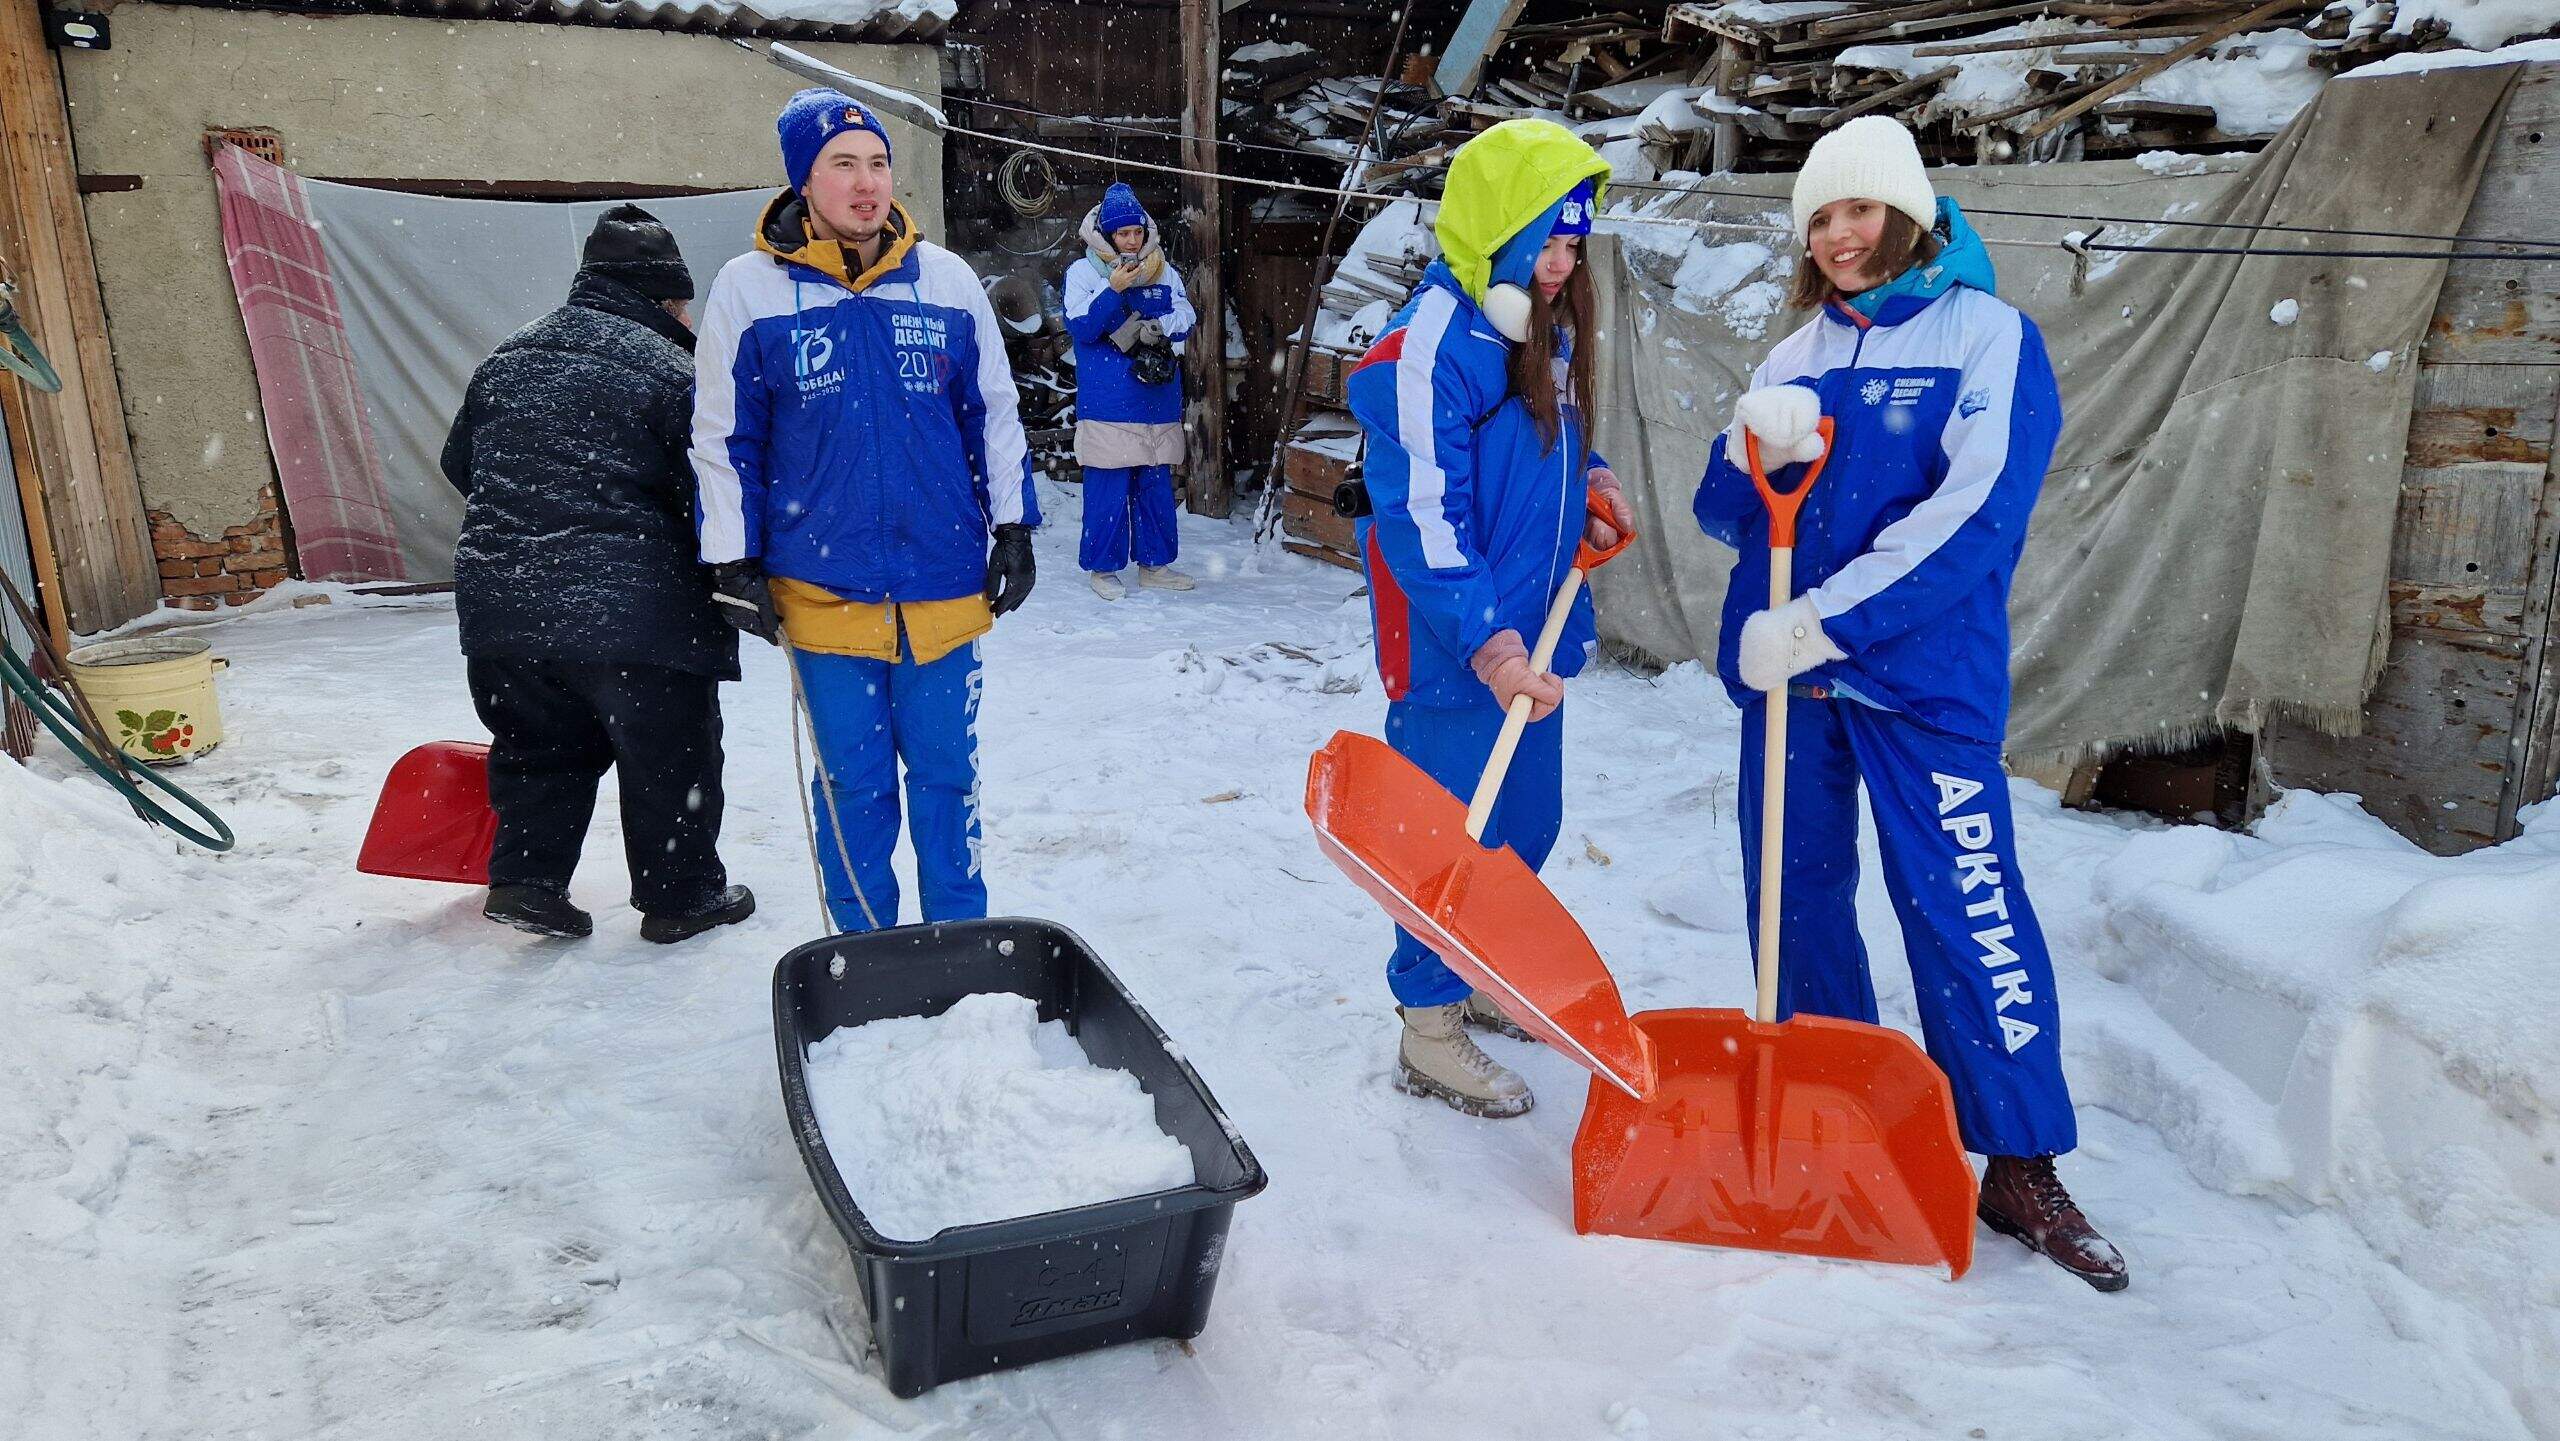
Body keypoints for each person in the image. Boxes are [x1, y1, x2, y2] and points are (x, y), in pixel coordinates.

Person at [1691, 116, 2124, 1291]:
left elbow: (1973, 519)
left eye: (1858, 209)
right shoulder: (1793, 355)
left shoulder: (1989, 338)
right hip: (1791, 683)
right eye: (1819, 217)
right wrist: (1748, 460)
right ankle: (1842, 1111)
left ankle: (2020, 1159)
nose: (1837, 235)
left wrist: (1827, 620)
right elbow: (1724, 514)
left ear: (1909, 212)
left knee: (1964, 906)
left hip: (1919, 680)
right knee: (1794, 899)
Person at [691, 89, 1037, 935]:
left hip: (943, 579)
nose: (867, 183)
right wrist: (732, 561)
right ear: (803, 182)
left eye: (878, 163)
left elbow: (993, 410)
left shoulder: (947, 281)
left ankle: (961, 940)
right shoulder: (749, 290)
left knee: (948, 776)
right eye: (843, 165)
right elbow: (724, 435)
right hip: (821, 584)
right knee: (854, 783)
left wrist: (1014, 526)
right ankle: (865, 949)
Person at [1346, 120, 1631, 1118]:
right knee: (1445, 837)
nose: (1561, 262)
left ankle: (1474, 971)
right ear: (1494, 228)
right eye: (1545, 240)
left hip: (1534, 633)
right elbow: (1423, 514)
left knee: (1521, 825)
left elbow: (1537, 455)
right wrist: (1491, 643)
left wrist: (1590, 482)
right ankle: (1428, 1026)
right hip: (1456, 645)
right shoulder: (1430, 346)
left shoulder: (1536, 329)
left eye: (1572, 243)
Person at [440, 205, 753, 944]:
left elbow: (463, 465)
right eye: (683, 301)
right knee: (668, 752)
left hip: (503, 610)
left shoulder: (510, 356)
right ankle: (681, 896)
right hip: (634, 615)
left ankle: (529, 881)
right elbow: (710, 491)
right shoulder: (673, 371)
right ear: (664, 299)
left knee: (538, 747)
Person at [1062, 182, 1195, 599]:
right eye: (1123, 234)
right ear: (1106, 234)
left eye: (1136, 232)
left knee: (1155, 488)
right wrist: (1113, 290)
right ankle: (1103, 569)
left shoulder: (1164, 269)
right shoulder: (1083, 272)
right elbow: (1080, 326)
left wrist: (1161, 328)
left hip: (1156, 401)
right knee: (1108, 490)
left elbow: (1186, 314)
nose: (1132, 241)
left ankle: (1155, 565)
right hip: (1108, 404)